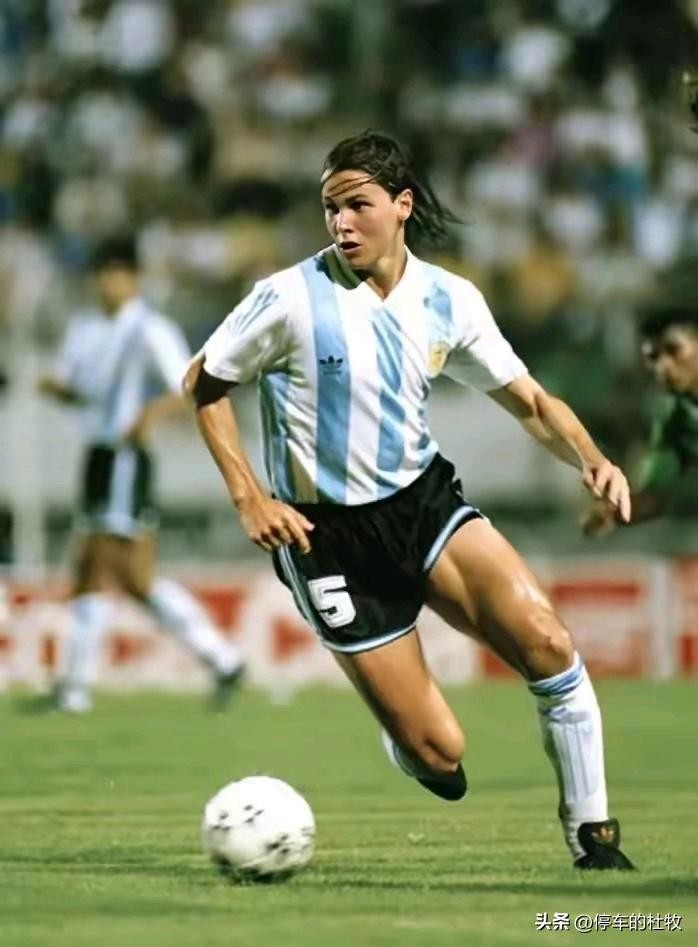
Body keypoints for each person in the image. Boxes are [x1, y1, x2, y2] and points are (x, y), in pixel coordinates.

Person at [185, 131, 635, 870]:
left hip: (421, 505)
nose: (341, 222)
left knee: (549, 642)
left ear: (402, 205)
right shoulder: (288, 297)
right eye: (330, 208)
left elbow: (528, 400)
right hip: (324, 538)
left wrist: (592, 458)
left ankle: (594, 838)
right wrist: (249, 497)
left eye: (357, 205)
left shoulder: (448, 299)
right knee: (440, 756)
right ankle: (407, 732)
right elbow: (203, 383)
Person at [38, 234, 244, 713]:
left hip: (127, 459)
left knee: (96, 566)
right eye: (101, 274)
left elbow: (186, 383)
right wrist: (58, 390)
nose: (107, 283)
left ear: (132, 278)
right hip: (97, 456)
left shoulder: (150, 329)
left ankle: (74, 689)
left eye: (116, 273)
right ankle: (223, 659)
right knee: (131, 578)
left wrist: (150, 415)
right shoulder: (86, 329)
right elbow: (78, 388)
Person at [583, 306, 698, 535]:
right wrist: (611, 511)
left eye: (674, 350)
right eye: (653, 357)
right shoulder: (674, 416)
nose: (663, 366)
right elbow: (654, 490)